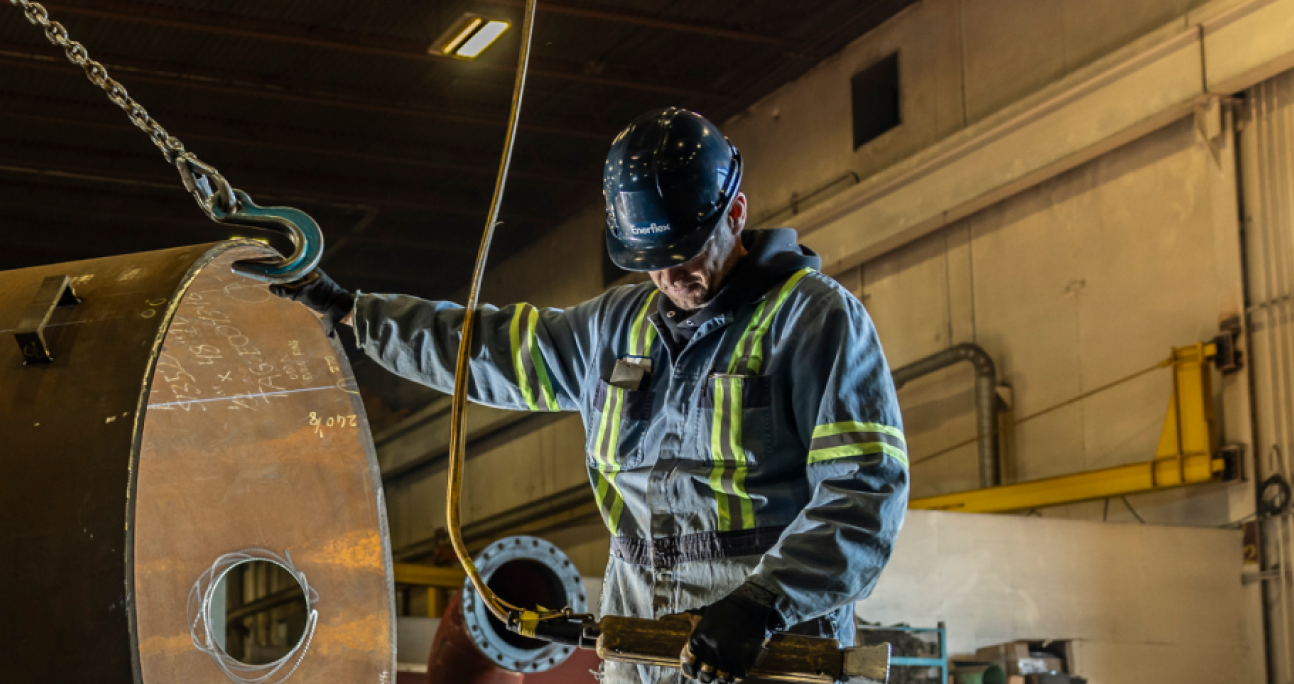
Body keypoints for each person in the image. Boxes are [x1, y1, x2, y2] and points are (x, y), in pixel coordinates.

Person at [248, 108, 909, 684]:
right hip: (642, 651)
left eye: (683, 252)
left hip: (768, 653)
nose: (668, 276)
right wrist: (351, 311)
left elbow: (865, 491)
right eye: (648, 260)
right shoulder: (616, 327)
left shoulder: (816, 323)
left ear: (735, 213)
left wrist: (763, 604)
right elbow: (487, 347)